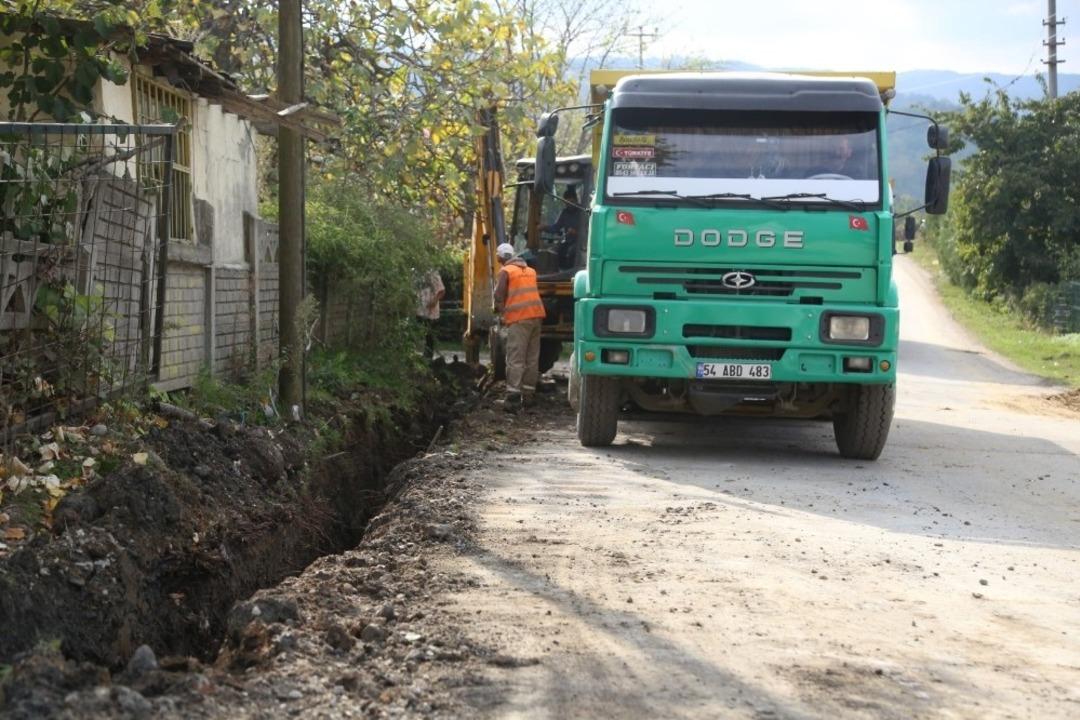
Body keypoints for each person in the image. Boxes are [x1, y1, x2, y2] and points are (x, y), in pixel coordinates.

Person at [493, 242, 546, 412]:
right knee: (532, 357)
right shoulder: (530, 271)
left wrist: (502, 314)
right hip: (536, 316)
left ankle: (513, 398)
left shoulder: (506, 271)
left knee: (516, 357)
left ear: (500, 257)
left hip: (519, 319)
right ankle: (529, 396)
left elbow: (498, 295)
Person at [540, 187, 581, 269]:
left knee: (572, 252)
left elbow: (589, 231)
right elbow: (556, 227)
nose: (569, 205)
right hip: (568, 241)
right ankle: (561, 271)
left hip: (580, 243)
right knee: (557, 250)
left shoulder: (583, 212)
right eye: (567, 202)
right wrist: (544, 227)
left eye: (571, 202)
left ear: (576, 201)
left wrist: (576, 232)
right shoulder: (564, 213)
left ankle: (571, 272)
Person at [415, 268, 445, 357]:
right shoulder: (415, 272)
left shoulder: (432, 273)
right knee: (419, 334)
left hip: (430, 312)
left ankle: (428, 359)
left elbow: (442, 290)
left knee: (429, 337)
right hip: (418, 310)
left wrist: (434, 301)